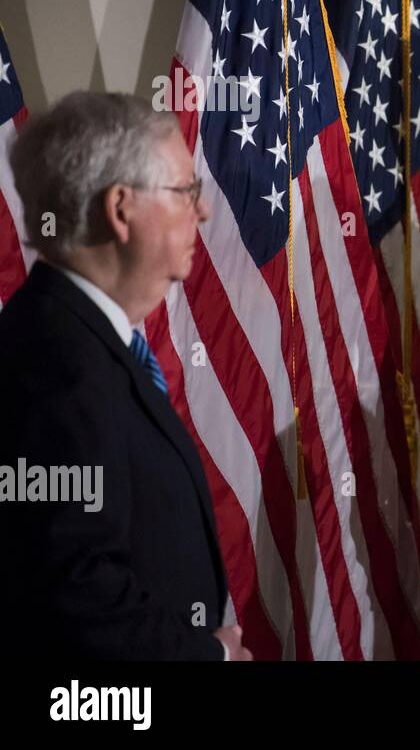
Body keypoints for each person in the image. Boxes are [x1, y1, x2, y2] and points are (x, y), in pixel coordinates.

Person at [0, 91, 247, 660]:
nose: (203, 210)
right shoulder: (56, 362)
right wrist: (211, 657)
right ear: (120, 209)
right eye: (186, 192)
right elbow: (75, 588)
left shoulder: (93, 342)